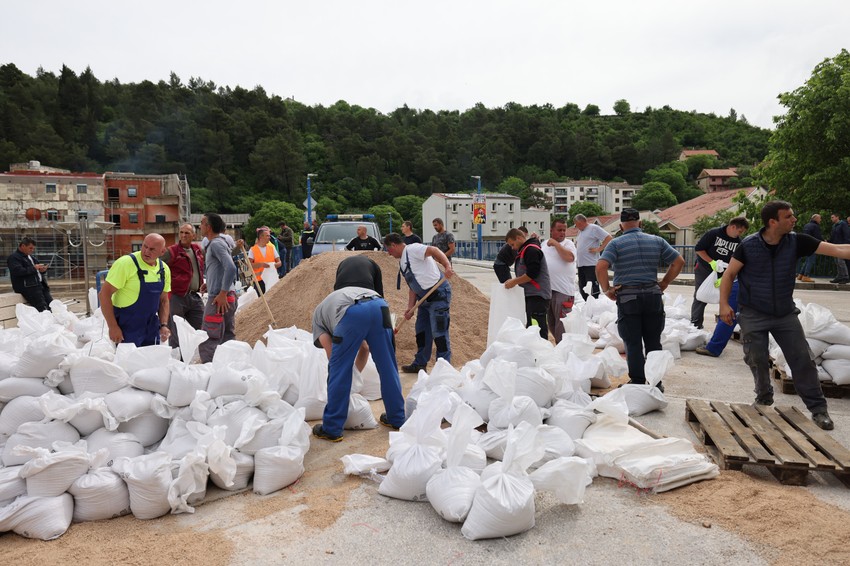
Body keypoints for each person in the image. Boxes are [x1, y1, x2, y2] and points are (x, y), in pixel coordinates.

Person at [719, 201, 850, 431]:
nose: (794, 219)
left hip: (784, 314)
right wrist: (723, 305)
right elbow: (729, 275)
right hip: (753, 313)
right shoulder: (748, 246)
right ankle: (764, 397)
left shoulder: (798, 241)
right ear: (773, 222)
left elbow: (838, 250)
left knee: (803, 360)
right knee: (756, 358)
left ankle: (819, 410)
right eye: (789, 216)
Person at [597, 208, 684, 390]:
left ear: (621, 226)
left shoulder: (615, 244)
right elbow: (678, 262)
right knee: (653, 341)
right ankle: (655, 382)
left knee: (633, 342)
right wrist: (665, 282)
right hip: (653, 295)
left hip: (629, 298)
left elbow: (601, 267)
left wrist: (607, 290)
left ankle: (637, 382)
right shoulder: (657, 241)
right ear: (640, 223)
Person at [311, 285, 406, 442]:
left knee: (338, 370)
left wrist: (351, 377)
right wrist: (355, 373)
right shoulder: (332, 307)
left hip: (353, 312)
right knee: (388, 366)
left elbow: (333, 359)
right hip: (380, 305)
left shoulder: (318, 321)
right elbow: (365, 347)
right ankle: (397, 418)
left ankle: (332, 428)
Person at [384, 232, 453, 373]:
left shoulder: (413, 249)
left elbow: (434, 250)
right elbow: (412, 287)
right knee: (421, 332)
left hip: (438, 294)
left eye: (388, 249)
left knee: (439, 333)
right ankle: (420, 363)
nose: (388, 254)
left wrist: (447, 266)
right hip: (423, 300)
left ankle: (444, 368)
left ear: (394, 245)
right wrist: (410, 308)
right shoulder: (402, 262)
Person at [100, 233, 171, 347]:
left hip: (151, 326)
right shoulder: (126, 264)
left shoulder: (164, 269)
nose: (146, 252)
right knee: (128, 363)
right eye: (145, 246)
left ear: (162, 252)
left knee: (152, 361)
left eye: (152, 249)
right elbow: (104, 295)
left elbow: (163, 300)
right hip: (127, 326)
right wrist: (113, 326)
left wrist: (163, 325)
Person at [690, 217, 749, 329]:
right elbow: (699, 249)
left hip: (724, 272)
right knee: (700, 296)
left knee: (726, 298)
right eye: (740, 231)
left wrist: (726, 275)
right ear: (732, 227)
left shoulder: (738, 242)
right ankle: (695, 325)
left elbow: (737, 260)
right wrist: (712, 262)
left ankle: (724, 324)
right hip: (704, 268)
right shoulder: (714, 234)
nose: (739, 234)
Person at [198, 213, 238, 364]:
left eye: (202, 223)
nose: (199, 226)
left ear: (208, 227)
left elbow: (230, 268)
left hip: (219, 299)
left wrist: (222, 293)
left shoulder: (215, 244)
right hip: (226, 296)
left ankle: (209, 374)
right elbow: (222, 268)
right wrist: (210, 282)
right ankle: (228, 371)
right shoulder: (219, 243)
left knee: (209, 338)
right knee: (227, 338)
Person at [162, 223, 205, 349]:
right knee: (176, 332)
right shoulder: (172, 251)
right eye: (181, 232)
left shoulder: (198, 250)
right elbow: (158, 266)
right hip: (176, 297)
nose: (183, 235)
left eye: (187, 233)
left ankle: (203, 358)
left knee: (203, 329)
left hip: (194, 296)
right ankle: (177, 362)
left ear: (194, 235)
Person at [505, 228, 552, 340]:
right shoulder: (525, 250)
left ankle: (541, 352)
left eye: (512, 244)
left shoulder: (531, 250)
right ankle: (535, 352)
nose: (513, 248)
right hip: (532, 295)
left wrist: (514, 282)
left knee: (537, 328)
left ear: (519, 238)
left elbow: (532, 274)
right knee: (532, 327)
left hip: (537, 296)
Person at [542, 219, 577, 343]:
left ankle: (563, 350)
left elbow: (569, 258)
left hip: (563, 292)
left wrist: (557, 244)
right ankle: (560, 347)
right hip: (548, 290)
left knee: (562, 324)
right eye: (559, 230)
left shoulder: (568, 244)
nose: (562, 233)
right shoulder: (544, 244)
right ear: (551, 230)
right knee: (551, 322)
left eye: (564, 230)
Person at [7, 237, 53, 312]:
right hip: (29, 288)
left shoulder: (30, 257)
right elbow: (17, 271)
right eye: (30, 248)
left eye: (33, 248)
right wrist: (34, 268)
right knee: (42, 308)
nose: (32, 250)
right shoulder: (14, 257)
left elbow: (36, 269)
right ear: (23, 246)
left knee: (52, 305)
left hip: (40, 285)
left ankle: (53, 322)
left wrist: (42, 270)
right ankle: (46, 322)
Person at [574, 214, 612, 300]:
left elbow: (608, 237)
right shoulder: (580, 232)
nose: (577, 227)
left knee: (592, 287)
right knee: (582, 287)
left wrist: (599, 249)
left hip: (591, 264)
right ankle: (587, 305)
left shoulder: (593, 228)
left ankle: (595, 305)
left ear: (584, 221)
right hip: (581, 264)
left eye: (578, 224)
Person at [249, 226, 282, 295]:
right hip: (259, 281)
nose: (269, 237)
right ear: (261, 237)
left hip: (271, 279)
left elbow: (279, 262)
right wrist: (261, 264)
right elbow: (250, 265)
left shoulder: (272, 248)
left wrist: (275, 265)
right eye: (267, 236)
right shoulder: (252, 250)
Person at [797, 214, 822, 282]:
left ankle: (801, 275)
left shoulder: (807, 225)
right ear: (815, 218)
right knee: (811, 261)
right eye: (820, 218)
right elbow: (817, 237)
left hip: (806, 245)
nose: (820, 220)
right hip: (812, 246)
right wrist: (823, 241)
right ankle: (806, 276)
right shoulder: (815, 226)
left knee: (807, 260)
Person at [828, 213, 849, 284]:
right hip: (835, 246)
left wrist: (846, 245)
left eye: (832, 217)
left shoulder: (842, 224)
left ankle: (845, 277)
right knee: (837, 262)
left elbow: (846, 234)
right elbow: (833, 236)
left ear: (837, 217)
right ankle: (840, 276)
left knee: (841, 261)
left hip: (841, 245)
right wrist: (829, 242)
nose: (831, 219)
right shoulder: (834, 226)